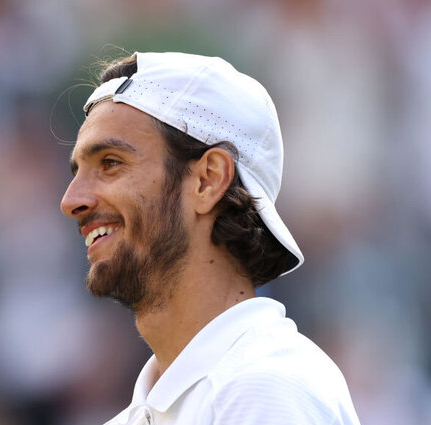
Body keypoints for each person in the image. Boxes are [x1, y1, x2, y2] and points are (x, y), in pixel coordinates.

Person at [60, 52, 360, 425]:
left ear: (207, 180)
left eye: (110, 163)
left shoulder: (264, 390)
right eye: (78, 171)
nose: (71, 200)